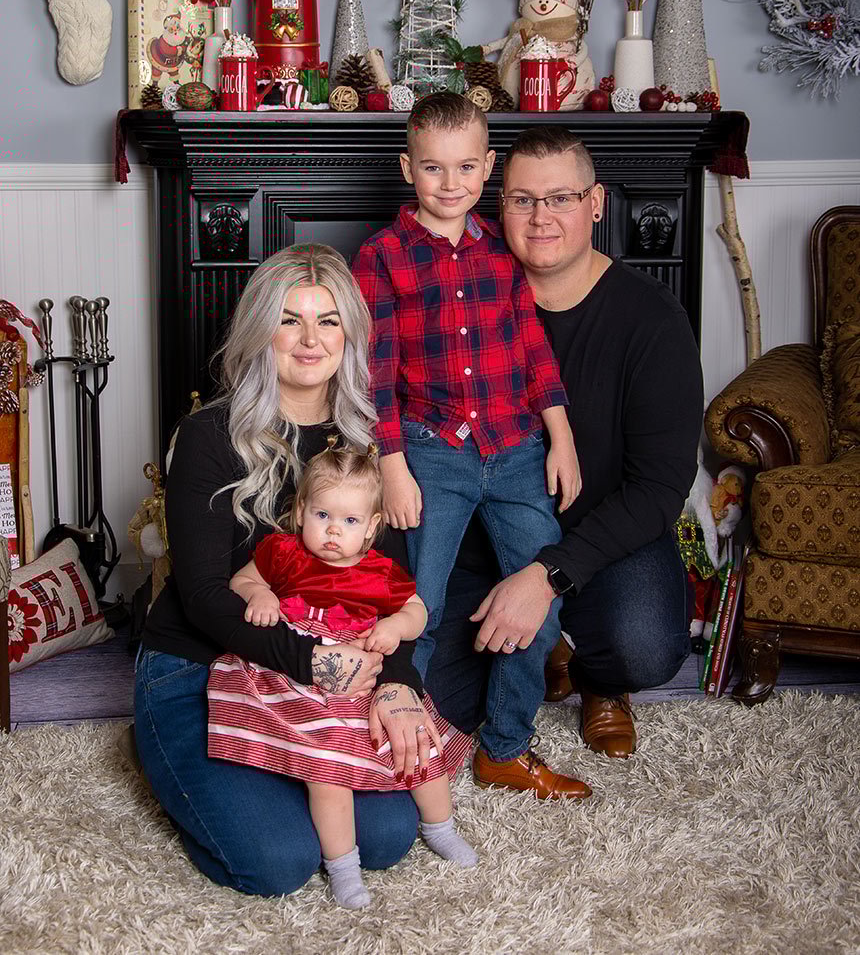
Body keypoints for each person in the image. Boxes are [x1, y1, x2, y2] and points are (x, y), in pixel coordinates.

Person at [134, 244, 443, 897]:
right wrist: (314, 664)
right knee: (280, 862)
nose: (310, 339)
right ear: (260, 329)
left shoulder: (369, 446)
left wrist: (395, 684)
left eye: (328, 320)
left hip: (325, 674)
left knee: (386, 838)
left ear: (350, 334)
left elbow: (395, 588)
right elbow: (203, 596)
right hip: (202, 661)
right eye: (290, 319)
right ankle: (167, 749)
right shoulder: (209, 434)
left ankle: (284, 764)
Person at [426, 126, 704, 759]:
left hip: (601, 540)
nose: (541, 217)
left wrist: (547, 576)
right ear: (501, 207)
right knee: (436, 699)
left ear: (596, 203)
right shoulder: (465, 297)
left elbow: (659, 489)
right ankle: (544, 644)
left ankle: (598, 679)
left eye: (561, 199)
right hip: (480, 540)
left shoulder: (651, 320)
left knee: (645, 643)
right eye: (523, 200)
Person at [353, 93, 591, 801]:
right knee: (417, 605)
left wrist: (561, 434)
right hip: (430, 450)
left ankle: (506, 746)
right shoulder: (383, 256)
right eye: (433, 167)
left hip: (515, 447)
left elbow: (532, 345)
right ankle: (403, 741)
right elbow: (374, 371)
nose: (450, 182)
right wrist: (392, 463)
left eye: (465, 166)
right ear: (408, 168)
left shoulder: (500, 251)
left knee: (543, 594)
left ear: (487, 166)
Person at [208, 441, 475, 910]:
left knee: (415, 745)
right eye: (322, 515)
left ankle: (442, 827)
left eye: (350, 521)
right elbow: (240, 581)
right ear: (300, 514)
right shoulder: (283, 554)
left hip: (363, 675)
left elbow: (417, 611)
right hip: (299, 678)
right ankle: (344, 869)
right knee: (326, 774)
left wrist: (394, 626)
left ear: (372, 529)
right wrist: (260, 596)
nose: (333, 531)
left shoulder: (380, 573)